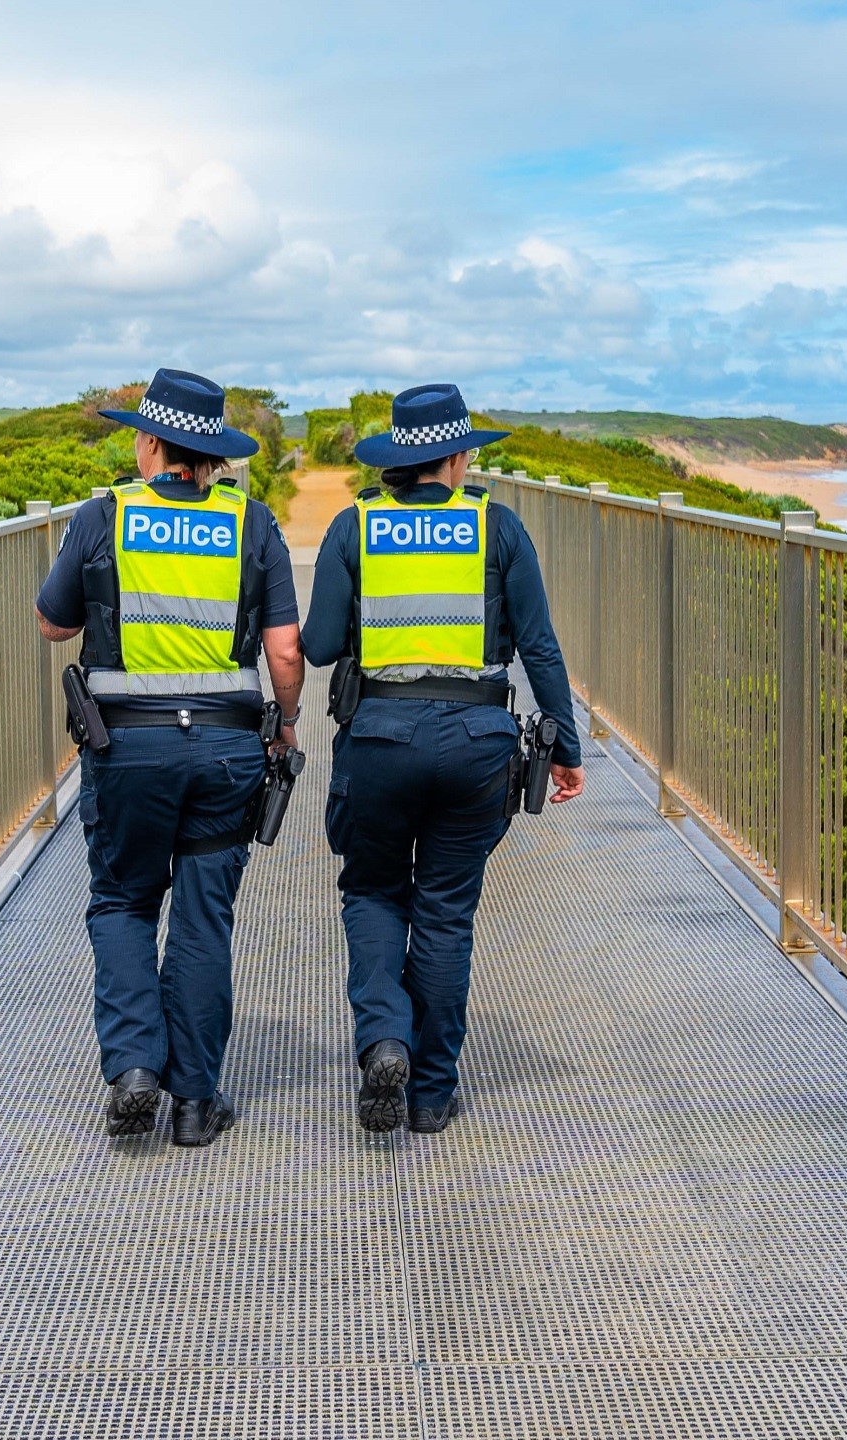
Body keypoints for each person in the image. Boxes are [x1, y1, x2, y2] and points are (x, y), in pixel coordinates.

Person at [301, 382, 584, 1135]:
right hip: (477, 745)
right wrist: (568, 745)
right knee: (446, 914)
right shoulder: (498, 529)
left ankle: (384, 1039)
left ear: (400, 457)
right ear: (457, 458)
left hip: (380, 741)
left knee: (372, 892)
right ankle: (430, 1093)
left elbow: (323, 645)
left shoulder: (354, 526)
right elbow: (539, 646)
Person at [34, 368, 304, 1146]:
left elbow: (53, 626)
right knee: (201, 920)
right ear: (212, 455)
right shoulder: (252, 524)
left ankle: (132, 1070)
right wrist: (284, 724)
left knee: (122, 902)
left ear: (150, 444)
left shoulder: (102, 516)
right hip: (225, 752)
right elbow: (284, 651)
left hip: (127, 753)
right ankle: (193, 1102)